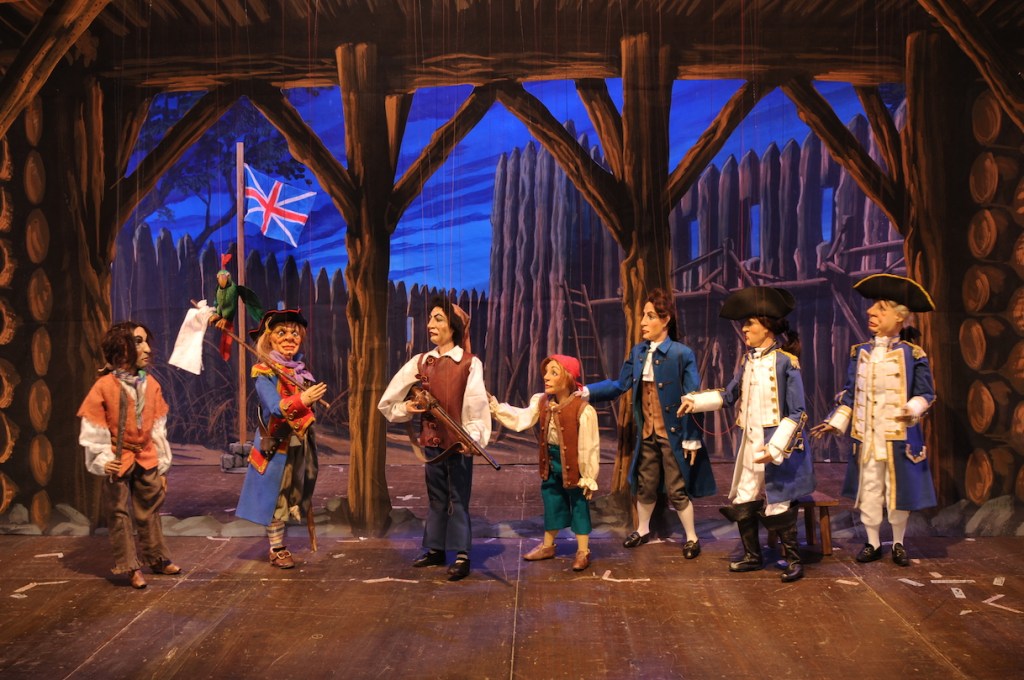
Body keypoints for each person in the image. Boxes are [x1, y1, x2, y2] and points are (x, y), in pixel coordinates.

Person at [680, 287, 814, 582]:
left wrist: (775, 447)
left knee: (778, 503)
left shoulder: (786, 362)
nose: (744, 329)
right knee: (744, 498)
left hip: (775, 445)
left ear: (766, 327)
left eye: (750, 323)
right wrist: (695, 401)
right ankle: (753, 556)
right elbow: (729, 395)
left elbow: (798, 413)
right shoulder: (747, 361)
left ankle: (794, 560)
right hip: (751, 442)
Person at [810, 274, 937, 567]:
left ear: (899, 317)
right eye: (872, 308)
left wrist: (912, 408)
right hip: (867, 438)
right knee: (869, 490)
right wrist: (836, 421)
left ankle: (899, 542)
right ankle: (872, 542)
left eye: (880, 308)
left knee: (897, 492)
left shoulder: (912, 354)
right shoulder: (860, 353)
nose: (871, 312)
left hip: (899, 438)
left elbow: (926, 393)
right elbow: (850, 394)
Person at [582, 288, 716, 559]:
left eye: (650, 316)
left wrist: (691, 437)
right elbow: (620, 385)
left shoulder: (681, 354)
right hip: (647, 434)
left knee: (677, 488)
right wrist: (587, 391)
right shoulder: (639, 353)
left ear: (665, 320)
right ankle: (642, 529)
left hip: (673, 435)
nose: (643, 321)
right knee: (645, 483)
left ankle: (691, 536)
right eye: (643, 315)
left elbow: (694, 399)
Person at [378, 297, 490, 581]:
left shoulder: (469, 363)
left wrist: (473, 437)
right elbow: (388, 402)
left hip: (459, 443)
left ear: (453, 327)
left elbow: (476, 406)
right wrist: (408, 407)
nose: (430, 324)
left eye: (438, 319)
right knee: (437, 497)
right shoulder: (421, 362)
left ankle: (462, 554)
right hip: (432, 443)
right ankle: (436, 549)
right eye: (430, 318)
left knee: (458, 498)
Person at [78, 321, 180, 589]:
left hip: (145, 455)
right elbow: (94, 428)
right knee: (119, 513)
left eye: (146, 341)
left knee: (150, 509)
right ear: (121, 348)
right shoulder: (104, 386)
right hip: (118, 459)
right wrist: (103, 459)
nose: (147, 349)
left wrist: (161, 466)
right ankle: (130, 565)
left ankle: (156, 557)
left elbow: (157, 427)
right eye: (138, 342)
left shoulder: (150, 384)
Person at [236, 309, 327, 569]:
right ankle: (276, 548)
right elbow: (276, 408)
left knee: (295, 491)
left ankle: (283, 536)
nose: (289, 338)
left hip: (300, 444)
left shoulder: (299, 372)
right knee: (276, 495)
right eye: (282, 332)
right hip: (277, 445)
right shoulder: (264, 372)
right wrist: (303, 399)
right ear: (270, 338)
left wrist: (308, 401)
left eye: (294, 333)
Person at [490, 355, 599, 572]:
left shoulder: (582, 409)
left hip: (574, 464)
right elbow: (522, 418)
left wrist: (588, 476)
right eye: (546, 372)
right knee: (552, 501)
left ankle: (583, 550)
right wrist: (496, 408)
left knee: (579, 504)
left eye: (554, 373)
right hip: (550, 461)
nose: (546, 377)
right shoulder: (542, 402)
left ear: (567, 378)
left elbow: (589, 446)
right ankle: (548, 546)